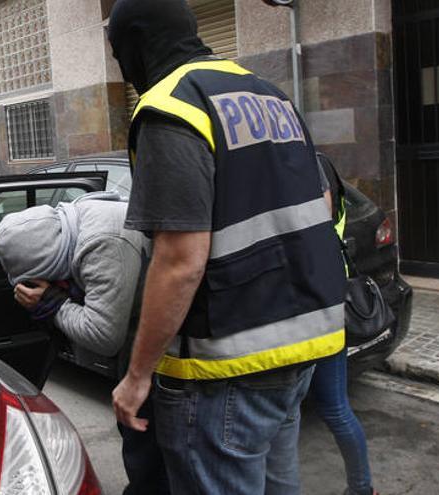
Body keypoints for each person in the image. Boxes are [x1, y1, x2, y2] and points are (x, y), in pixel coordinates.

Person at [107, 1, 348, 494]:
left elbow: (180, 262)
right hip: (301, 349)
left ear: (135, 44)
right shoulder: (269, 94)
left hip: (224, 368)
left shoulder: (171, 106)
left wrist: (136, 377)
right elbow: (319, 203)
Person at [0, 192, 167, 495]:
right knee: (138, 431)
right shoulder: (72, 220)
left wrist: (53, 303)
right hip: (144, 329)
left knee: (145, 436)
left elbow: (104, 337)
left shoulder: (101, 245)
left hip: (166, 341)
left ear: (51, 260)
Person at [313, 155, 379, 495]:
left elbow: (318, 225)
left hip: (320, 301)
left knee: (333, 408)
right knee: (332, 406)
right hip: (327, 296)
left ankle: (362, 488)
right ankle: (362, 487)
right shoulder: (320, 162)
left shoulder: (309, 163)